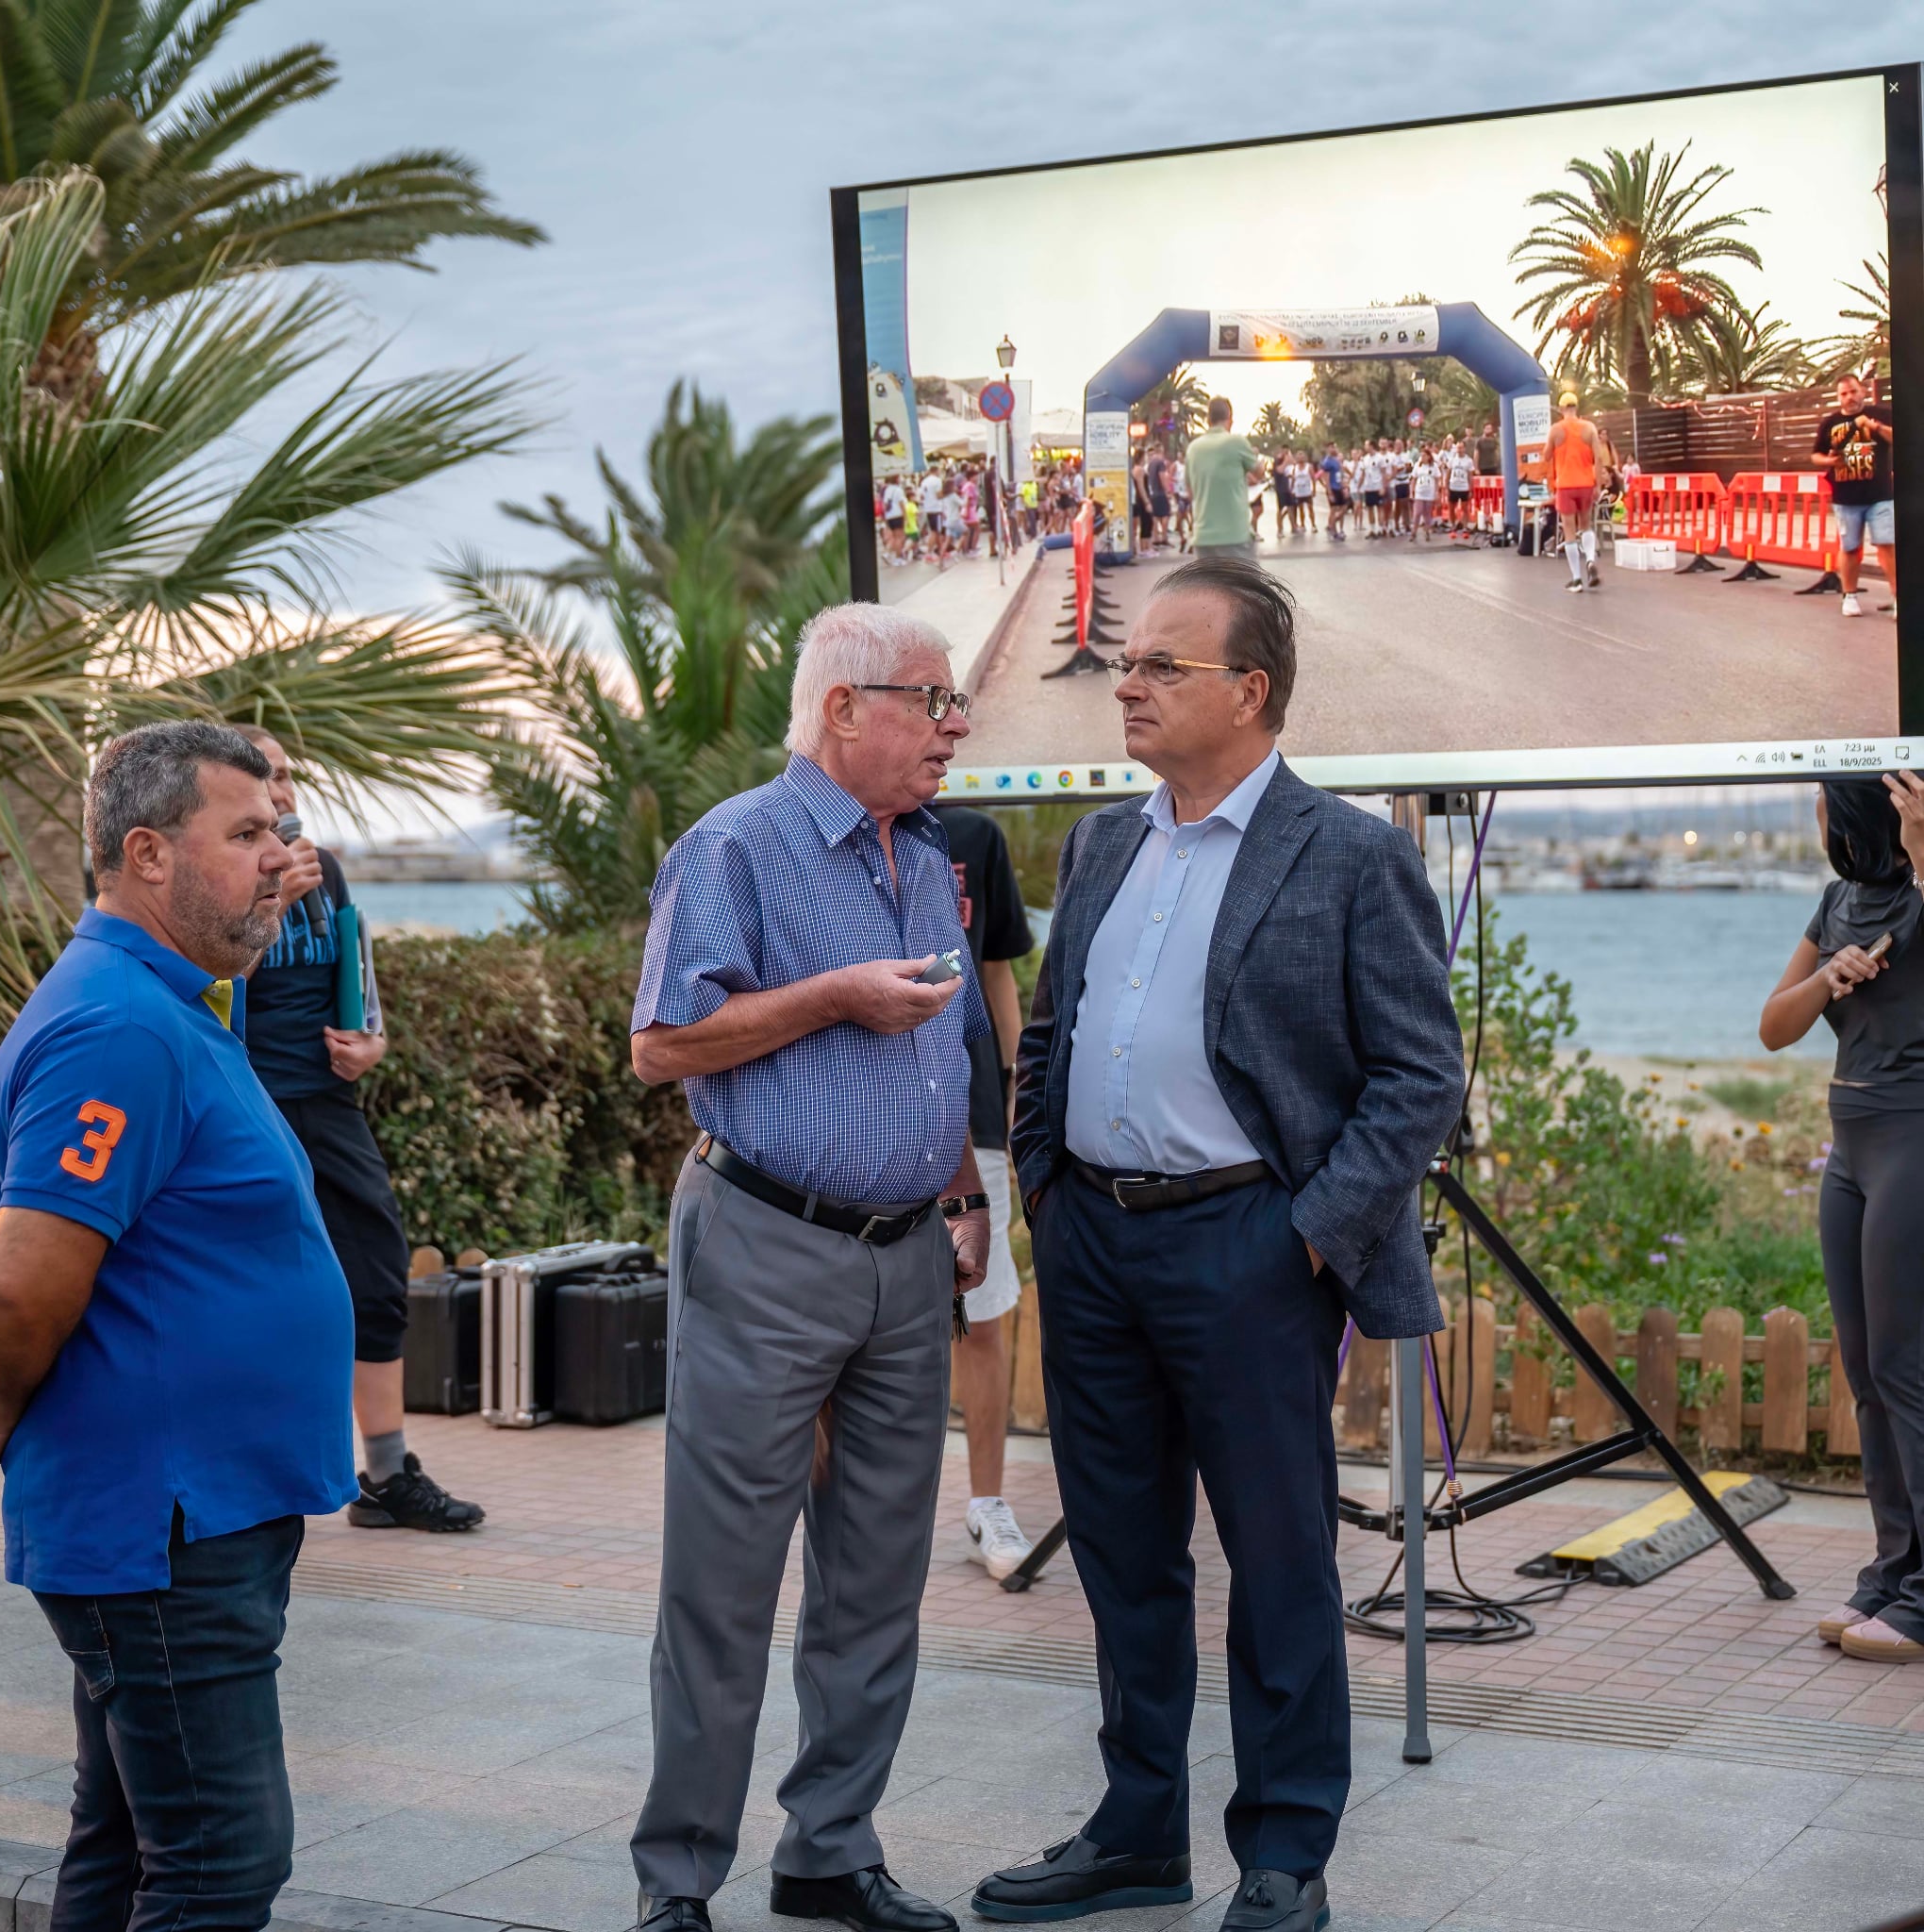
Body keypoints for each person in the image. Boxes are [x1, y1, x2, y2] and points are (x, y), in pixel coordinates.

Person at [973, 557, 1463, 1932]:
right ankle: (1137, 1836)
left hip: (1250, 1248)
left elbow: (1420, 1076)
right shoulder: (1102, 844)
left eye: (1158, 666)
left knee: (1278, 1557)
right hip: (1095, 1244)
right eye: (1125, 662)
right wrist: (1048, 1192)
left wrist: (1303, 1240)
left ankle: (1285, 1850)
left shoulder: (1348, 853)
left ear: (1248, 692)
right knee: (1122, 1554)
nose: (1123, 684)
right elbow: (1050, 1031)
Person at [627, 603, 994, 1932]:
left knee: (878, 1576)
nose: (956, 727)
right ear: (843, 709)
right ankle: (678, 1878)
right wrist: (833, 994)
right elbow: (663, 1045)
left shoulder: (928, 852)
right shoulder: (734, 845)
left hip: (906, 1260)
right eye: (931, 701)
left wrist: (962, 1190)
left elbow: (939, 1049)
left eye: (953, 704)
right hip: (766, 1242)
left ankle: (829, 1852)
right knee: (723, 1577)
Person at [0, 722, 357, 1932]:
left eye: (278, 828)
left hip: (194, 1515)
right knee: (220, 1863)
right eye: (246, 833)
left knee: (125, 1840)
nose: (281, 854)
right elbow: (20, 1287)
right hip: (162, 1528)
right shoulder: (118, 1027)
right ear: (147, 853)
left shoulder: (168, 1000)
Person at [234, 726, 485, 1535]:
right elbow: (204, 990)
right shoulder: (221, 884)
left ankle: (384, 1475)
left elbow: (359, 982)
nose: (282, 791)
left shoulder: (328, 869)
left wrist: (371, 1042)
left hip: (329, 1105)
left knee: (376, 1274)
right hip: (249, 1107)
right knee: (260, 1293)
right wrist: (270, 901)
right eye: (264, 778)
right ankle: (252, 1480)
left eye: (286, 775)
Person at [1760, 774, 1924, 1663]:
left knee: (1906, 1367)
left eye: (1826, 796)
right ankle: (1895, 1571)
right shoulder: (1837, 901)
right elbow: (1773, 1027)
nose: (1816, 811)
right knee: (1864, 1370)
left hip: (1914, 1134)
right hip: (1851, 1141)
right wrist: (1828, 976)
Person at [928, 799, 1038, 1579]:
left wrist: (1015, 1084)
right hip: (862, 1123)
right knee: (852, 1325)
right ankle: (852, 1506)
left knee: (982, 1315)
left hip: (972, 1121)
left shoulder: (973, 837)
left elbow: (994, 970)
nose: (944, 741)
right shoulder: (821, 832)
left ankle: (987, 1504)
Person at [1814, 371, 1896, 620]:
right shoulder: (1830, 423)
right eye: (1844, 394)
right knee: (1849, 547)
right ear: (1838, 397)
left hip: (1880, 494)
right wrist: (1829, 461)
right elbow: (1816, 455)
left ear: (1863, 392)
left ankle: (1898, 597)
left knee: (1887, 545)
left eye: (1853, 391)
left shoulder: (1881, 414)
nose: (1849, 397)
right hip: (1846, 497)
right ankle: (1849, 596)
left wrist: (1874, 426)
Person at [1185, 397, 1266, 558]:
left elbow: (1190, 492)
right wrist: (1260, 464)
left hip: (1203, 537)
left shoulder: (1193, 449)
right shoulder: (1236, 442)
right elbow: (1259, 473)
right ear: (1230, 419)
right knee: (1242, 576)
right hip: (1234, 535)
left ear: (1208, 420)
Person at [1546, 390, 1601, 590]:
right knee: (1586, 525)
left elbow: (1546, 455)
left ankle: (1577, 579)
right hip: (1586, 483)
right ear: (1576, 407)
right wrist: (1598, 485)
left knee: (1569, 530)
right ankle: (1590, 559)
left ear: (1561, 409)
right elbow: (1599, 458)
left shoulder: (1556, 429)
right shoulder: (1589, 428)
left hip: (1565, 485)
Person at [1319, 443, 1349, 541]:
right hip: (1333, 488)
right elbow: (1326, 477)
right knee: (1333, 509)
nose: (1334, 449)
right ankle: (1334, 532)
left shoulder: (1336, 461)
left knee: (1344, 507)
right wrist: (1329, 492)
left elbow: (1339, 475)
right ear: (1328, 449)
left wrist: (1344, 487)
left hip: (1339, 487)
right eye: (1332, 447)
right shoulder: (1327, 462)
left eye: (1335, 447)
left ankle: (1331, 525)